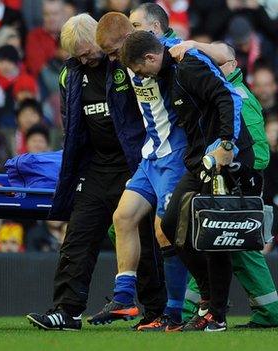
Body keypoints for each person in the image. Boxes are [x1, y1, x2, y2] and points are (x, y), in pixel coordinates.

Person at [91, 8, 233, 330]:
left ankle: (174, 311)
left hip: (177, 154)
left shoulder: (166, 51)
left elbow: (225, 54)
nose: (115, 59)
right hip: (150, 154)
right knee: (122, 217)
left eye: (116, 52)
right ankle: (125, 297)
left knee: (165, 231)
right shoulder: (126, 60)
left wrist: (197, 44)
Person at [26, 14, 166, 332]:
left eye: (86, 50)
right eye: (75, 54)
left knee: (144, 239)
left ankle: (156, 312)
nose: (83, 57)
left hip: (134, 165)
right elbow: (71, 125)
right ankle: (66, 311)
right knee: (77, 238)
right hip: (97, 168)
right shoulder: (71, 75)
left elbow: (151, 115)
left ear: (99, 38)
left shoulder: (126, 66)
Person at [121, 30, 258, 331]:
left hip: (225, 155)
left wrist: (225, 144)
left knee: (213, 233)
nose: (139, 76)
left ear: (150, 58)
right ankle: (209, 299)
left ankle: (217, 315)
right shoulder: (167, 67)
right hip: (199, 160)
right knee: (171, 225)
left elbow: (229, 99)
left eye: (139, 70)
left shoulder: (189, 66)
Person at [181, 46, 278, 329]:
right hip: (233, 184)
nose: (210, 68)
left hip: (240, 187)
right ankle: (267, 311)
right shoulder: (225, 93)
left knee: (222, 242)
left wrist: (233, 167)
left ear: (232, 64)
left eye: (216, 63)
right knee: (221, 243)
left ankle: (193, 309)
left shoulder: (240, 98)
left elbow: (259, 152)